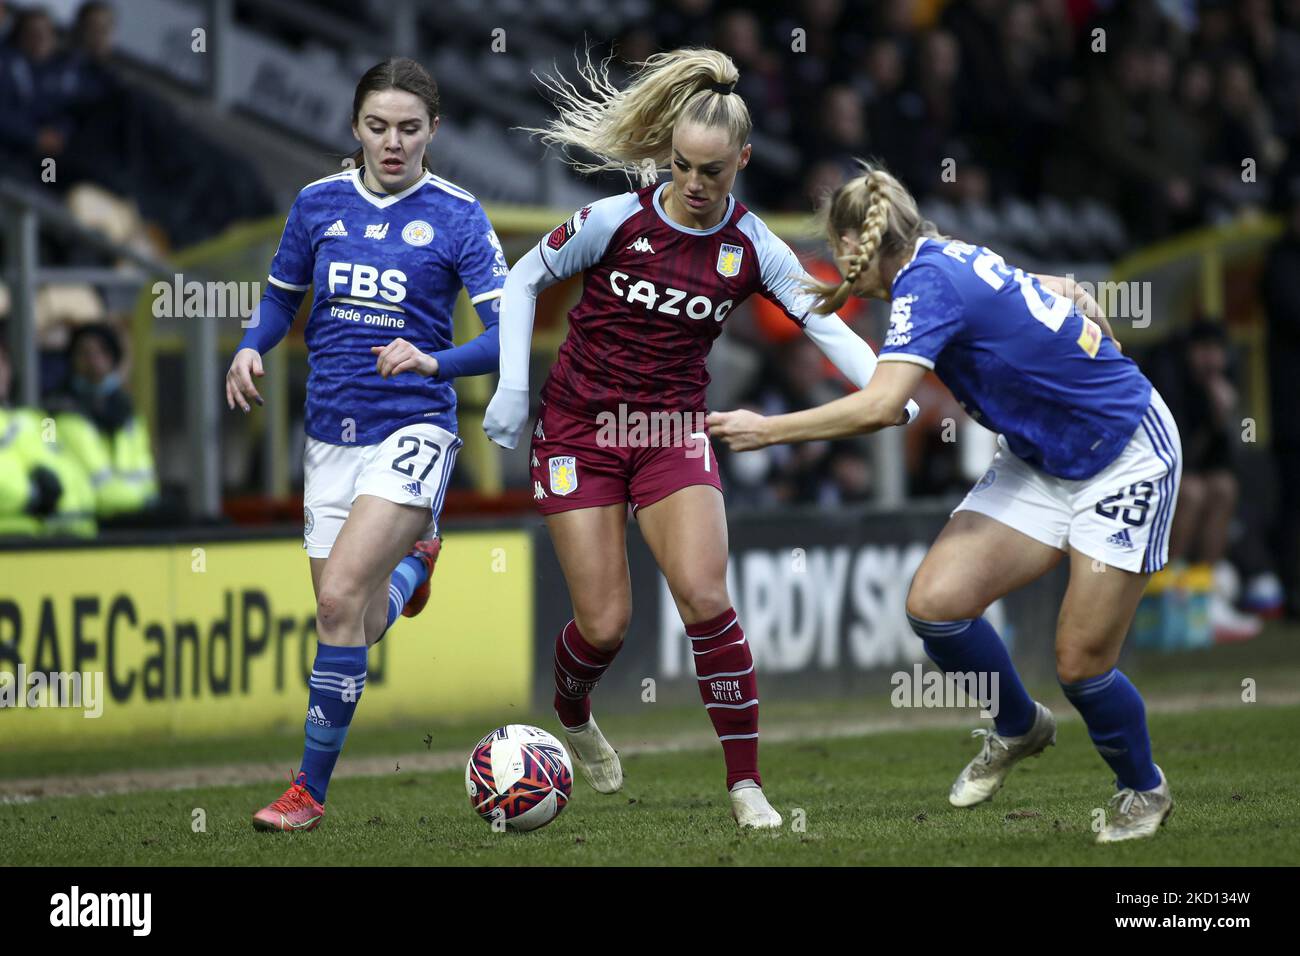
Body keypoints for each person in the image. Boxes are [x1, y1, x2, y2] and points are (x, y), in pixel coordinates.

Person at [482, 49, 916, 829]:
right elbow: (521, 280)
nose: (692, 182)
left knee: (707, 599)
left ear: (741, 162)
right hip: (579, 433)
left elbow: (822, 323)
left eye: (710, 171)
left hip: (671, 432)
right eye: (680, 165)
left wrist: (886, 384)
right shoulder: (616, 219)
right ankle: (572, 708)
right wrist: (514, 386)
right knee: (605, 624)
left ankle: (746, 786)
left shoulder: (753, 246)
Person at [709, 163, 1182, 843]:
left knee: (1081, 665)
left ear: (857, 245)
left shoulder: (925, 284)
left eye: (840, 256)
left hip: (1123, 457)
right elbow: (1028, 290)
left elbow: (881, 405)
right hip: (1042, 458)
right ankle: (1018, 725)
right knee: (936, 607)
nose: (841, 276)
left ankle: (1144, 789)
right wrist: (1066, 288)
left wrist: (767, 429)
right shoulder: (944, 256)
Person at [225, 57, 507, 832]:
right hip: (329, 436)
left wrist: (434, 360)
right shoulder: (317, 204)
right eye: (378, 127)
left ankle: (306, 794)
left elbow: (507, 337)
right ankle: (415, 567)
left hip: (413, 427)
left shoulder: (457, 214)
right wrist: (252, 345)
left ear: (434, 132)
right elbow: (281, 302)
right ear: (354, 127)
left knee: (338, 596)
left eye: (409, 129)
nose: (393, 142)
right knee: (348, 616)